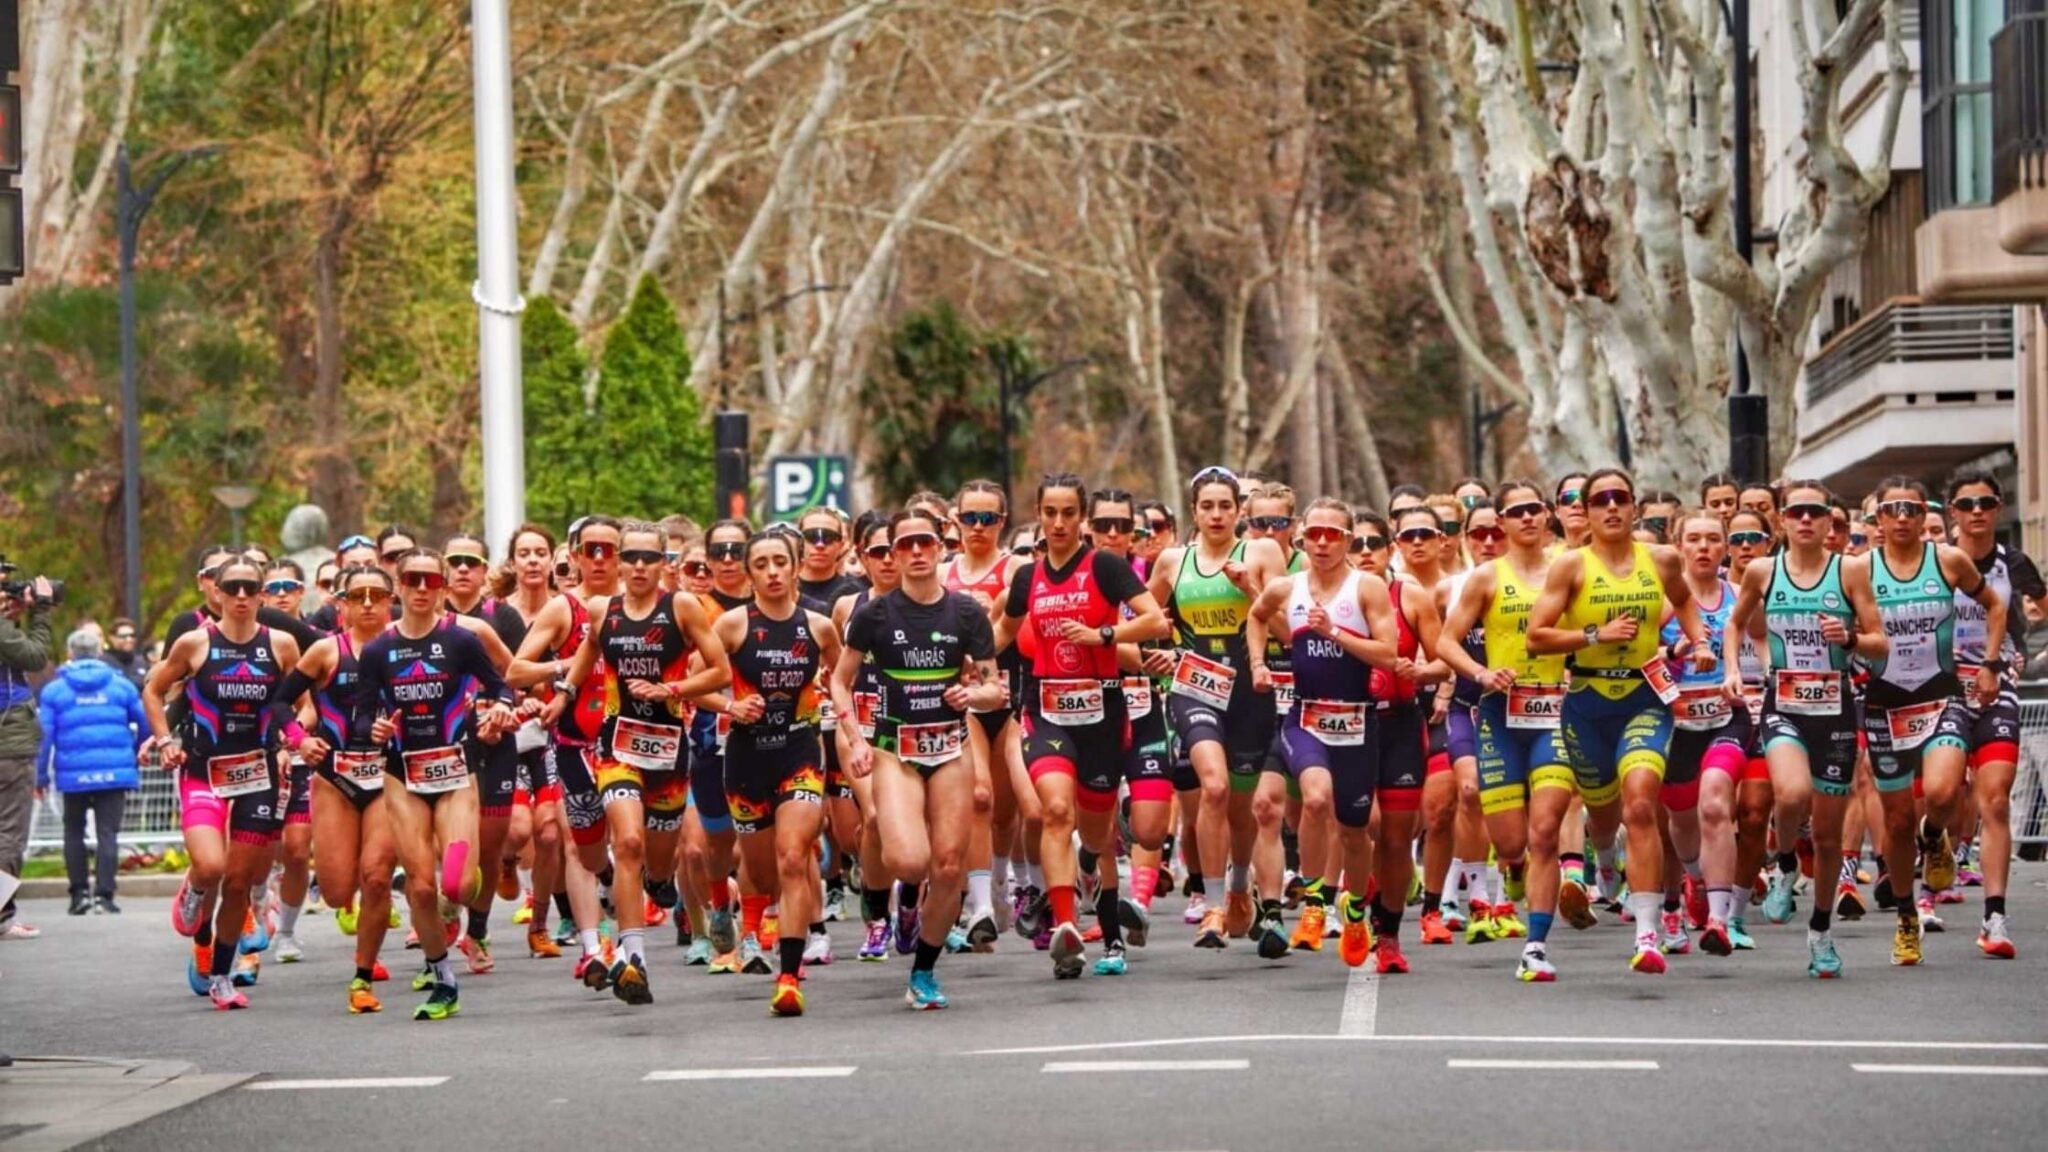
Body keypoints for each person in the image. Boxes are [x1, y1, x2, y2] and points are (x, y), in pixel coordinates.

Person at [1526, 468, 1713, 975]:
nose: (1611, 508)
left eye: (1620, 498)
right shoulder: (1570, 567)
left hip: (1643, 697)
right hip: (1586, 702)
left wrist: (1698, 642)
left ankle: (1647, 935)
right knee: (1603, 815)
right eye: (1600, 500)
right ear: (1585, 512)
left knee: (1640, 804)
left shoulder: (1662, 559)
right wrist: (1594, 634)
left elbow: (1684, 601)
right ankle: (1604, 861)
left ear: (1634, 507)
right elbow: (1537, 637)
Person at [1000, 472, 1170, 977]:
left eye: (1068, 514)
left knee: (1095, 838)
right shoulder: (1028, 577)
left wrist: (1103, 634)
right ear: (1038, 513)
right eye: (1049, 513)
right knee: (1055, 811)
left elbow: (1156, 621)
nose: (1057, 523)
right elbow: (1001, 631)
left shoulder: (1105, 567)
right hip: (1045, 709)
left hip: (1104, 713)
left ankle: (1109, 926)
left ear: (1083, 520)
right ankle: (1066, 930)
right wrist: (967, 659)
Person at [832, 510, 1003, 1007]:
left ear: (940, 547)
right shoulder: (876, 614)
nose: (914, 552)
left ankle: (924, 972)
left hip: (951, 748)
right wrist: (856, 739)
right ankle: (884, 897)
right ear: (893, 554)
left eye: (924, 541)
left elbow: (994, 688)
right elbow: (840, 680)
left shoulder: (967, 613)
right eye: (902, 545)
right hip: (894, 750)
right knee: (910, 861)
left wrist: (974, 696)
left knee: (948, 866)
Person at [145, 554, 305, 1009]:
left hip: (259, 774)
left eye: (249, 588)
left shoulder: (282, 645)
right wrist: (163, 740)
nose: (239, 596)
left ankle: (221, 975)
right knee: (212, 867)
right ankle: (195, 889)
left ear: (261, 595)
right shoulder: (195, 643)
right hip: (203, 772)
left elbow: (303, 702)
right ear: (215, 589)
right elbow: (154, 691)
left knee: (239, 881)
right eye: (230, 587)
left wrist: (294, 741)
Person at [1942, 473, 2047, 958]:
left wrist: (2024, 650)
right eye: (1967, 503)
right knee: (1942, 796)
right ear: (1953, 513)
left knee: (1996, 799)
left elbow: (2043, 607)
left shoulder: (2013, 563)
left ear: (1999, 509)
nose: (1977, 511)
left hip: (1994, 686)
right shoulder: (1936, 561)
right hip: (1939, 690)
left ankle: (1995, 917)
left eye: (1986, 502)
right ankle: (1931, 858)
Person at [36, 628, 148, 915]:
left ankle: (78, 896)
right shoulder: (121, 686)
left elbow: (44, 737)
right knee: (107, 833)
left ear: (70, 654)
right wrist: (135, 754)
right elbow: (146, 724)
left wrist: (40, 775)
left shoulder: (54, 690)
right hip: (115, 772)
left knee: (73, 831)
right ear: (100, 652)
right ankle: (105, 896)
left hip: (73, 775)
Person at [0, 571, 53, 941]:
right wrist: (42, 612)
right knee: (8, 834)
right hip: (9, 741)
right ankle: (1, 915)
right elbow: (34, 657)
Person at [104, 618, 149, 690]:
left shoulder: (141, 662)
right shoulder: (103, 662)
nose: (129, 639)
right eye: (123, 636)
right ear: (112, 638)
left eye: (132, 635)